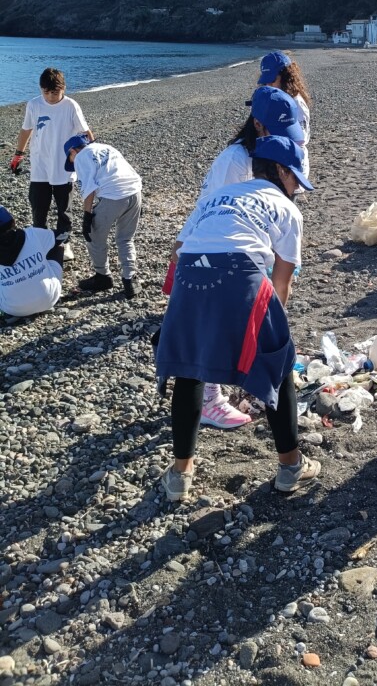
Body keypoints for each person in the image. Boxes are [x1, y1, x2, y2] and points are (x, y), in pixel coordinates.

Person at [154, 136, 321, 502]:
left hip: (189, 275)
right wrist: (272, 336)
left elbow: (177, 250)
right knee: (278, 367)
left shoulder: (218, 197)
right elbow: (281, 281)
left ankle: (180, 475)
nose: (297, 189)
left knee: (189, 368)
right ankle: (291, 468)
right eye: (295, 179)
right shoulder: (285, 208)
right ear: (280, 171)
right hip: (240, 272)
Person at [173, 86, 304, 431]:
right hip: (206, 248)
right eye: (281, 132)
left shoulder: (260, 158)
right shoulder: (235, 161)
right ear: (260, 126)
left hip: (228, 248)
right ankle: (211, 400)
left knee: (221, 330)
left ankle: (218, 390)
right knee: (210, 336)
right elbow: (217, 215)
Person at [10, 68, 93, 261]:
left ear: (63, 88)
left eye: (54, 92)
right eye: (45, 92)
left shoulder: (71, 106)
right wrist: (18, 154)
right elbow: (26, 131)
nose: (50, 97)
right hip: (40, 166)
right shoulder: (34, 104)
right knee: (38, 207)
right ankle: (41, 241)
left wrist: (91, 160)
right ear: (41, 89)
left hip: (63, 167)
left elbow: (86, 133)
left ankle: (64, 243)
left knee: (64, 209)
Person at [64, 135, 142, 298]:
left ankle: (103, 277)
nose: (72, 162)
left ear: (73, 151)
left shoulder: (81, 157)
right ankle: (130, 280)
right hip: (135, 191)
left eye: (70, 158)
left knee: (94, 236)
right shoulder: (106, 147)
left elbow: (89, 188)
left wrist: (87, 216)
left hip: (113, 196)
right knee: (125, 238)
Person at [0, 206, 64, 318]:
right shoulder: (32, 234)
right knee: (57, 246)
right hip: (50, 299)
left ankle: (12, 307)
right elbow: (61, 236)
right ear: (13, 221)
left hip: (12, 309)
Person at [256, 51, 312, 176]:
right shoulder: (274, 99)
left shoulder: (296, 103)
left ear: (286, 76)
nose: (268, 85)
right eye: (266, 81)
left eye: (272, 80)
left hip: (292, 166)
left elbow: (300, 139)